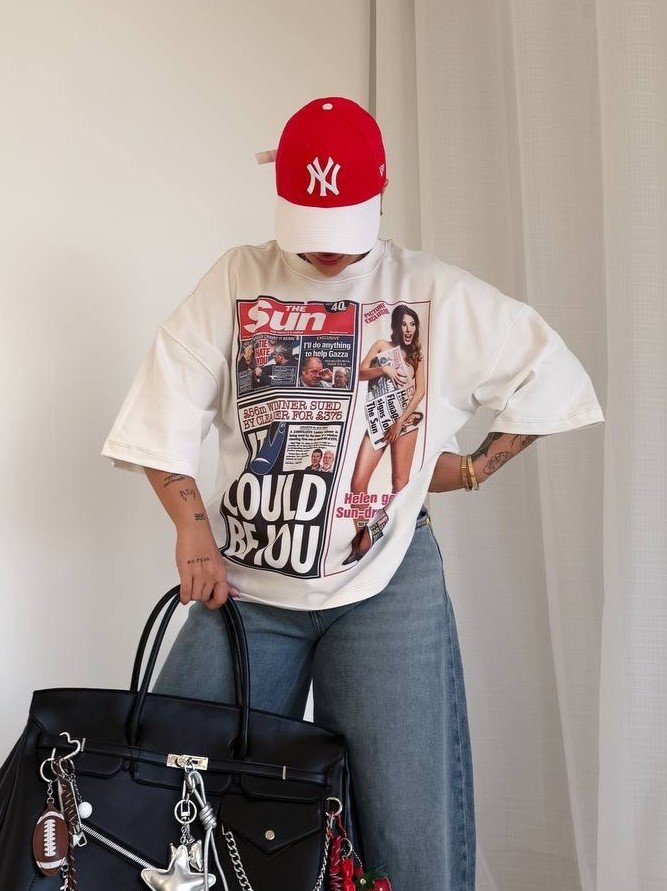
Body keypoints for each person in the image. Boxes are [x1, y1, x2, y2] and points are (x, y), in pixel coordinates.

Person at [102, 96, 605, 891]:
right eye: (310, 227)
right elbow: (161, 408)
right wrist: (190, 528)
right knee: (167, 791)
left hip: (387, 586)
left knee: (406, 828)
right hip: (247, 584)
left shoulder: (428, 288)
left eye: (342, 226)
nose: (328, 251)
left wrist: (474, 466)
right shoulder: (236, 277)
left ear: (379, 191)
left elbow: (550, 373)